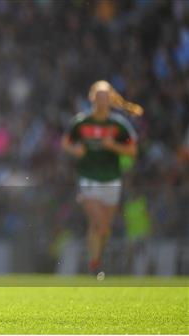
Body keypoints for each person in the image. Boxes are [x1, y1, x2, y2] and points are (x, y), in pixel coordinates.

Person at [61, 80, 142, 276]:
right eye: (98, 97)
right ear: (92, 98)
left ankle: (95, 260)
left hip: (111, 179)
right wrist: (75, 150)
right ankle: (95, 266)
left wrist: (113, 146)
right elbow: (66, 142)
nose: (102, 101)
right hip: (88, 178)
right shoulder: (81, 122)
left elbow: (132, 151)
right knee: (98, 222)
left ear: (110, 100)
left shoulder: (118, 125)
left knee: (104, 228)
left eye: (105, 98)